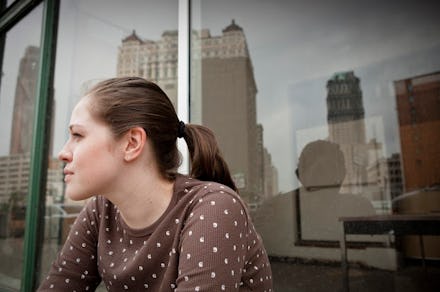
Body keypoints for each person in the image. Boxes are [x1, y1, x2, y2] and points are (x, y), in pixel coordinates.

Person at [38, 77, 273, 291]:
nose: (62, 153)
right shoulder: (100, 211)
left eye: (77, 135)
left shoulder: (213, 207)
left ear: (131, 143)